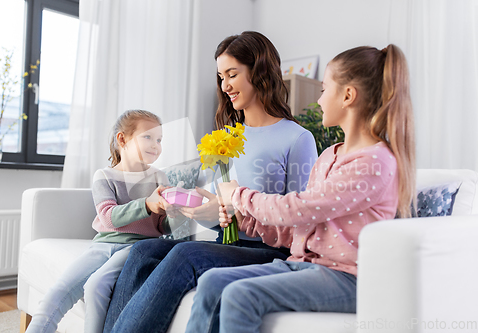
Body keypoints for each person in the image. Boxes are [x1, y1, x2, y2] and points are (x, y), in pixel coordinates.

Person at [185, 44, 416, 333]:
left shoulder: (374, 162)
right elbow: (303, 225)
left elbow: (301, 206)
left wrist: (239, 196)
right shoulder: (330, 155)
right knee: (211, 281)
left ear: (347, 96)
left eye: (323, 89)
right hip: (304, 264)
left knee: (240, 296)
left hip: (350, 277)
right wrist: (247, 223)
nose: (318, 101)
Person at [103, 31, 318, 333]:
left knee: (186, 254)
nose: (225, 85)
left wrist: (234, 215)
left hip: (269, 252)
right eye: (221, 76)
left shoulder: (298, 138)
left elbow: (300, 223)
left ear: (259, 71)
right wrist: (207, 212)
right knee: (143, 252)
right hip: (226, 244)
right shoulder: (228, 137)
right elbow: (221, 214)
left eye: (232, 74)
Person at [26, 110, 172, 333]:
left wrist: (174, 214)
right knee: (60, 290)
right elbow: (108, 217)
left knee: (97, 285)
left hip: (136, 247)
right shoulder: (104, 176)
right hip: (102, 244)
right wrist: (146, 204)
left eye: (159, 139)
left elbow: (162, 227)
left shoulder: (159, 178)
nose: (156, 145)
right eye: (148, 137)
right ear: (122, 139)